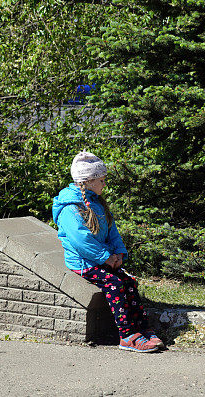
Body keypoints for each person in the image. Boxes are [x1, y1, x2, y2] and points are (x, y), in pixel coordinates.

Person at [52, 150, 163, 353]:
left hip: (104, 259)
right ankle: (127, 335)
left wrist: (119, 253)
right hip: (84, 262)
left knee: (129, 282)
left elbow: (112, 231)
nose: (104, 184)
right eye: (101, 180)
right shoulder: (70, 208)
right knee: (115, 283)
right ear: (88, 181)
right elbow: (81, 241)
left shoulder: (97, 203)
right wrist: (105, 258)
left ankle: (143, 329)